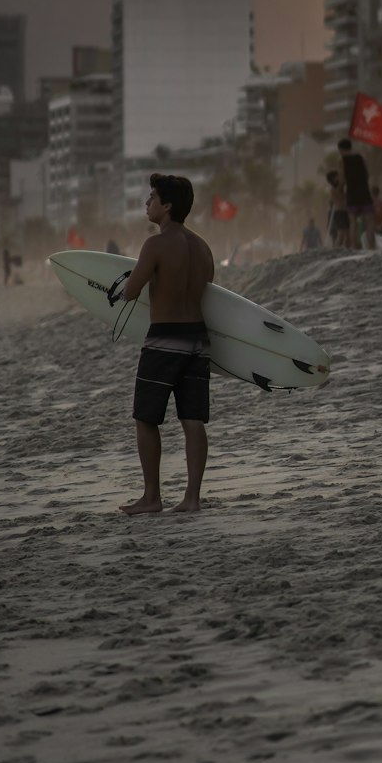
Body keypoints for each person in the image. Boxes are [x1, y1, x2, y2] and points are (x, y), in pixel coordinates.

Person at [115, 173, 214, 515]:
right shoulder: (203, 247)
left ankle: (152, 496)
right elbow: (208, 290)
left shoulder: (154, 245)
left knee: (145, 417)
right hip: (198, 339)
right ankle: (191, 499)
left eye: (152, 198)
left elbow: (130, 291)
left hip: (164, 339)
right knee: (192, 420)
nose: (147, 203)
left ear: (167, 206)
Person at [338, 138, 375, 249]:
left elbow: (342, 179)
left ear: (340, 149)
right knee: (369, 220)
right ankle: (371, 246)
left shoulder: (342, 161)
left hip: (352, 193)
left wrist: (340, 190)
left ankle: (354, 246)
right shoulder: (360, 158)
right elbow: (367, 174)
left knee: (352, 221)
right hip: (364, 191)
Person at [325, 170, 350, 248]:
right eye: (337, 176)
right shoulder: (334, 189)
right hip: (340, 212)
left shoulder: (337, 188)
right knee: (342, 233)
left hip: (342, 212)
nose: (339, 178)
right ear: (333, 178)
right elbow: (340, 199)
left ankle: (343, 248)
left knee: (345, 233)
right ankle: (336, 248)